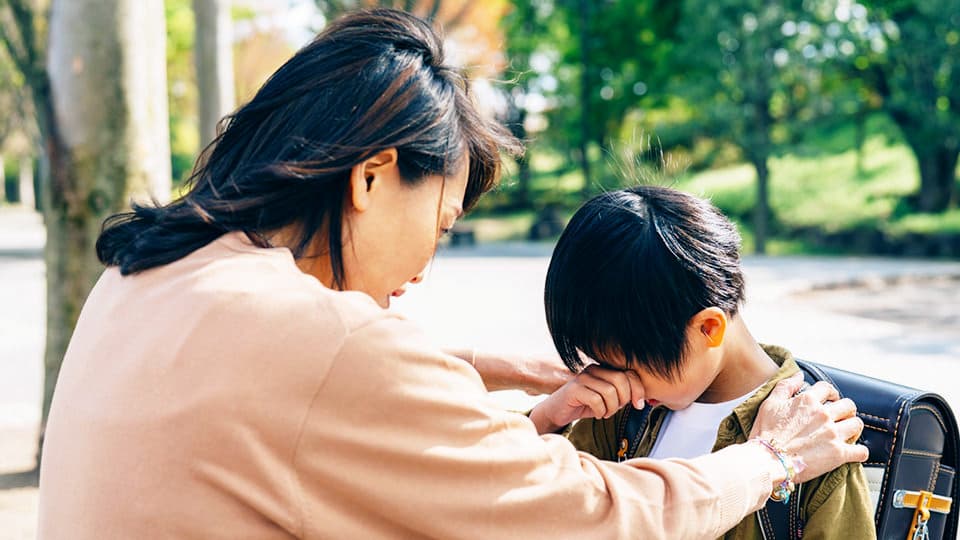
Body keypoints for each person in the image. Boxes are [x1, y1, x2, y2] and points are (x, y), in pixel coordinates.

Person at [38, 9, 867, 539]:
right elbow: (588, 516)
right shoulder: (322, 344)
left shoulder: (151, 273)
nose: (427, 268)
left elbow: (303, 403)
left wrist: (505, 385)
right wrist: (772, 463)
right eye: (439, 225)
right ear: (371, 178)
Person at [532, 185, 875, 539]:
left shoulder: (811, 437)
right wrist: (547, 420)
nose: (617, 381)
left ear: (709, 328)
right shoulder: (618, 415)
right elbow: (527, 516)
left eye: (628, 365)